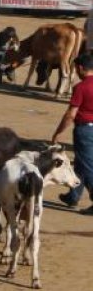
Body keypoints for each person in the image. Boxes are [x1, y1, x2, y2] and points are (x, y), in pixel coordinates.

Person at [54, 54, 93, 214]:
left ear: (80, 68)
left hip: (85, 131)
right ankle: (73, 196)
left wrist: (58, 133)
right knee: (81, 162)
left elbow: (71, 114)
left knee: (88, 166)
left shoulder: (81, 87)